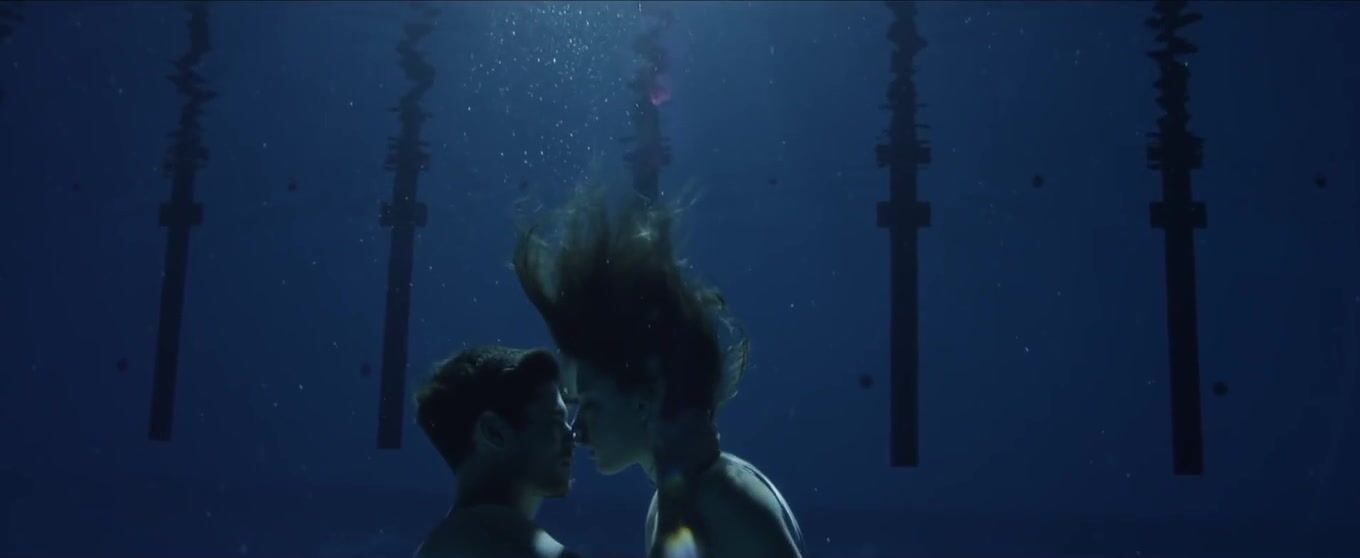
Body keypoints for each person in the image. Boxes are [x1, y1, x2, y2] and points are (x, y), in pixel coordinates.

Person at [513, 188, 805, 558]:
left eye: (591, 404)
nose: (577, 430)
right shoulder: (688, 499)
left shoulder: (725, 499)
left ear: (646, 395)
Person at [412, 345, 584, 558]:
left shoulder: (448, 541)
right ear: (494, 432)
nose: (572, 436)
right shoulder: (486, 537)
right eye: (556, 419)